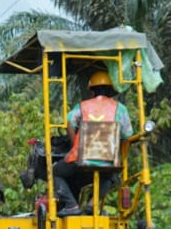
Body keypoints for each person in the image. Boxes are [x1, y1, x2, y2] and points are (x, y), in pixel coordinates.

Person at [52, 69, 133, 216]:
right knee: (110, 176)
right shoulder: (120, 109)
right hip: (108, 159)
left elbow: (69, 121)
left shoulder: (82, 106)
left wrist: (73, 146)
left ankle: (71, 206)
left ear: (92, 91)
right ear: (110, 90)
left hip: (82, 157)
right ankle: (91, 204)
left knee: (55, 172)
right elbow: (127, 134)